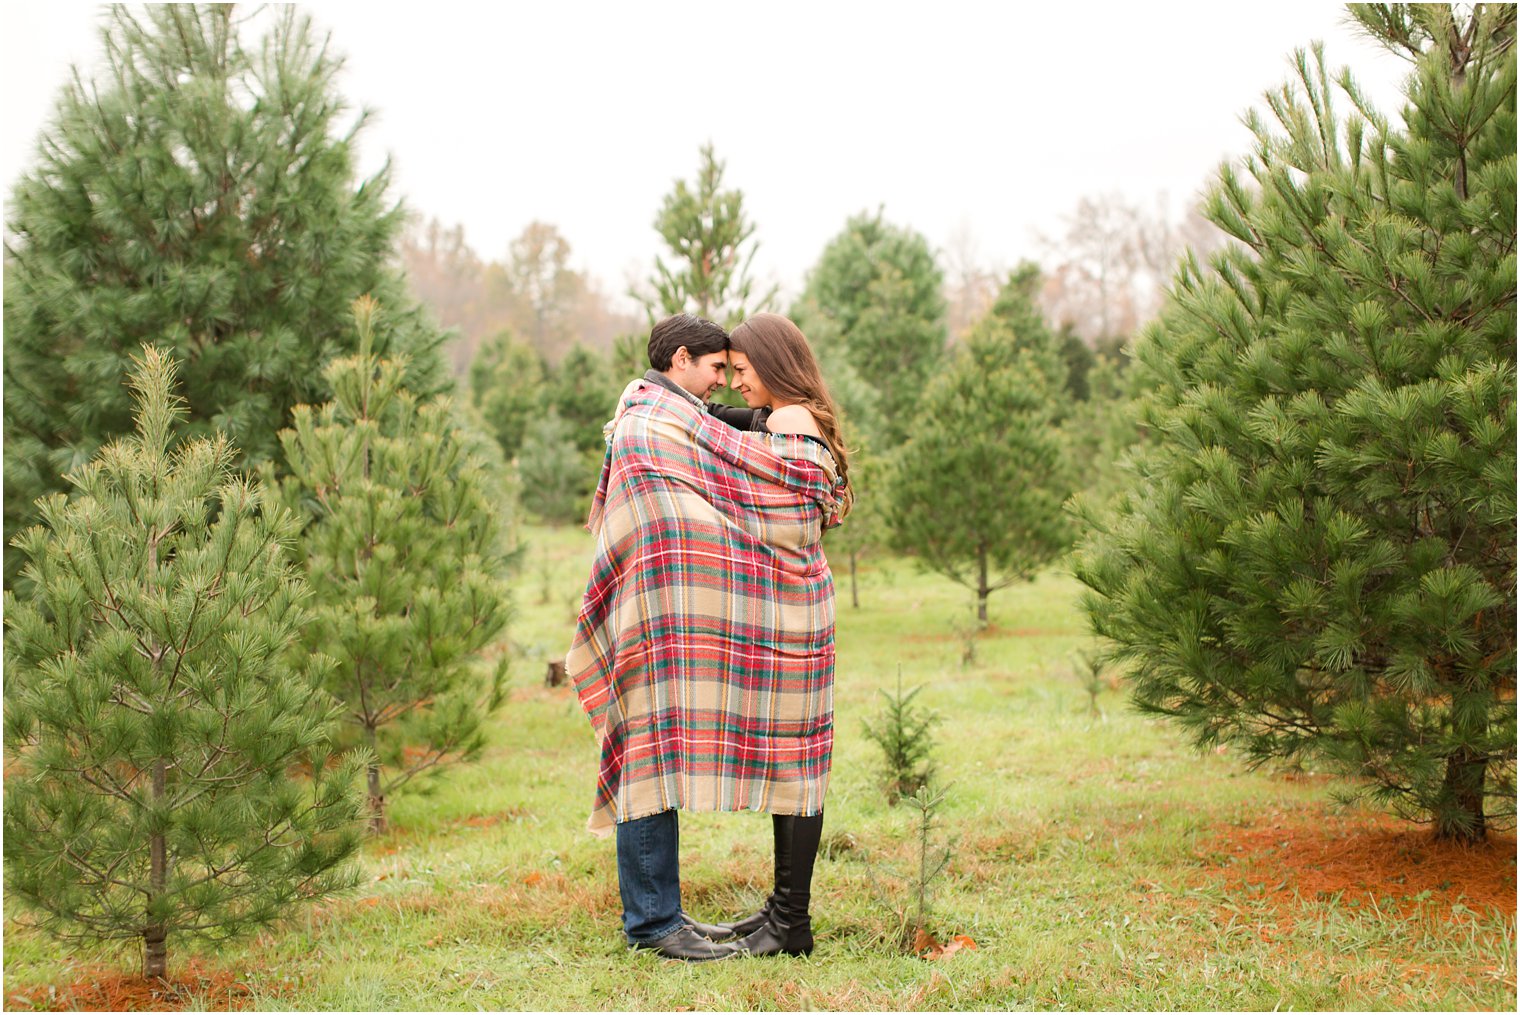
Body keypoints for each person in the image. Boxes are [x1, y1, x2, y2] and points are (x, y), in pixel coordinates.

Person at [566, 312, 850, 962]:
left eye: (741, 372)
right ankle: (657, 922)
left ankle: (771, 917)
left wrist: (754, 422)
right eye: (721, 369)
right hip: (658, 613)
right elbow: (722, 458)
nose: (728, 384)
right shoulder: (652, 421)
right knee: (649, 748)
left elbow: (743, 462)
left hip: (708, 612)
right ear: (682, 359)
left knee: (754, 755)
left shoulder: (677, 417)